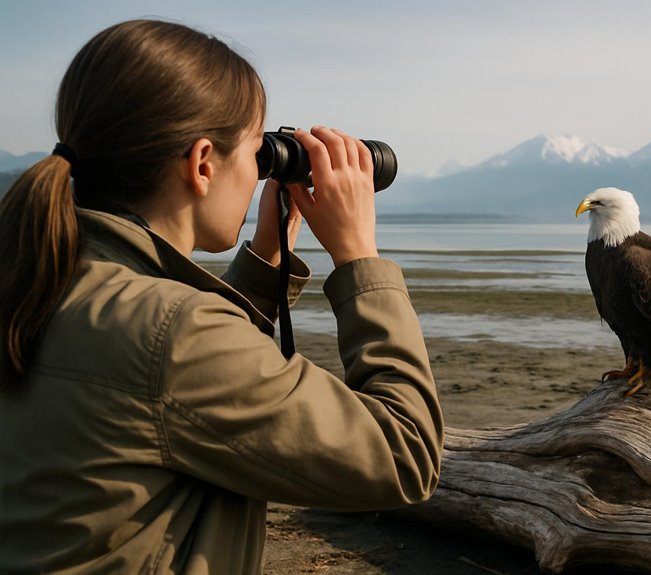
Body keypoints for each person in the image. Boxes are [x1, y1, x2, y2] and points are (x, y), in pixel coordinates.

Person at [0, 19, 444, 573]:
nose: (259, 173)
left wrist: (267, 255)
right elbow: (405, 455)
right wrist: (358, 256)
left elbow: (178, 381)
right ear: (203, 163)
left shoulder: (39, 276)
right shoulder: (174, 333)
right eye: (258, 153)